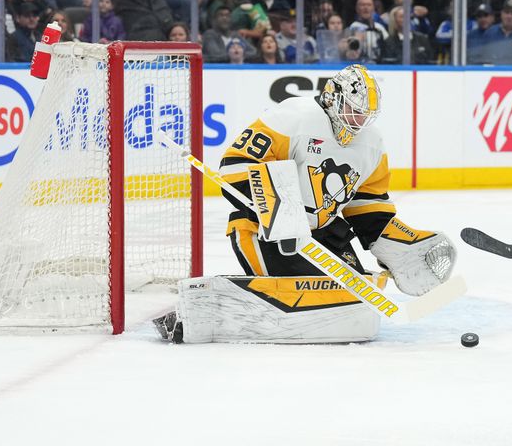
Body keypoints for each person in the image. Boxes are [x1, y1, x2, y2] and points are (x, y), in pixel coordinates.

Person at [153, 65, 457, 343]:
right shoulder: (292, 117)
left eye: (365, 115)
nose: (358, 121)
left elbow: (368, 206)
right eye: (352, 110)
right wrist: (280, 211)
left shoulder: (372, 144)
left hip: (323, 234)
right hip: (266, 231)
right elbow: (235, 166)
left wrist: (400, 242)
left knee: (352, 299)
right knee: (298, 296)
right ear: (332, 98)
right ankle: (200, 310)